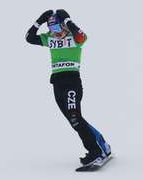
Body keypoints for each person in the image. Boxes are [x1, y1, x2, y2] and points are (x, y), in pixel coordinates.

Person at [25, 9, 111, 169]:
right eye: (51, 29)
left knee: (75, 118)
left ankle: (95, 151)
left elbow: (83, 36)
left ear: (64, 27)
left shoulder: (75, 38)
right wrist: (40, 20)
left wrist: (68, 20)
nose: (55, 33)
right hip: (57, 83)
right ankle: (102, 144)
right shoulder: (49, 38)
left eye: (57, 28)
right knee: (74, 120)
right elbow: (29, 38)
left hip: (72, 82)